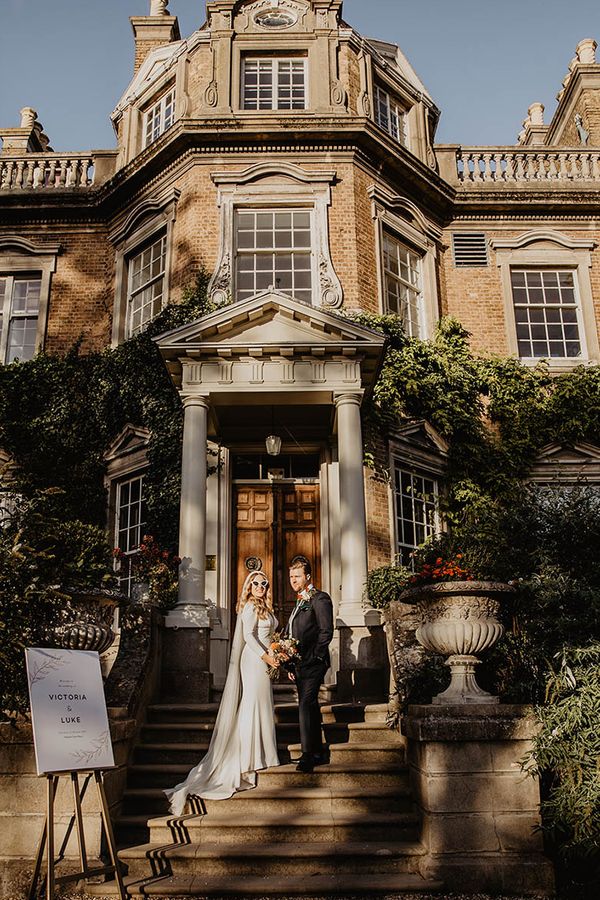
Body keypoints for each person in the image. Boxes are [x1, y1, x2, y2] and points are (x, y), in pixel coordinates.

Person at [165, 571, 280, 815]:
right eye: (256, 583)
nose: (261, 586)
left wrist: (277, 652)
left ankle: (261, 753)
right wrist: (267, 657)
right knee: (251, 705)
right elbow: (248, 636)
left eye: (264, 583)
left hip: (265, 659)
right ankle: (249, 758)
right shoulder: (249, 606)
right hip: (254, 660)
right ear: (248, 586)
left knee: (261, 704)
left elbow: (267, 636)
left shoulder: (264, 607)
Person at [285, 555, 334, 774]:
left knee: (305, 703)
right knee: (310, 705)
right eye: (291, 576)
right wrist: (289, 663)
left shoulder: (320, 598)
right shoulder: (299, 602)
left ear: (308, 576)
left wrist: (315, 657)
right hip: (298, 663)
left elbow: (326, 631)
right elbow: (293, 634)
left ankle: (307, 755)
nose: (293, 580)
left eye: (297, 576)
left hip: (314, 662)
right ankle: (316, 751)